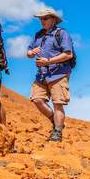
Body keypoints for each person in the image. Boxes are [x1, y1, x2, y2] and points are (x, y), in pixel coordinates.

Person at [26, 8, 74, 142]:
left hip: (59, 73)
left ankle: (57, 132)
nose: (42, 21)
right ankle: (56, 121)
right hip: (41, 75)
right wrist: (31, 53)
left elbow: (68, 54)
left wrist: (48, 61)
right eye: (40, 18)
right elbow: (29, 52)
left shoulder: (61, 33)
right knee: (37, 99)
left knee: (58, 103)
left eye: (45, 18)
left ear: (53, 19)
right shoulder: (38, 35)